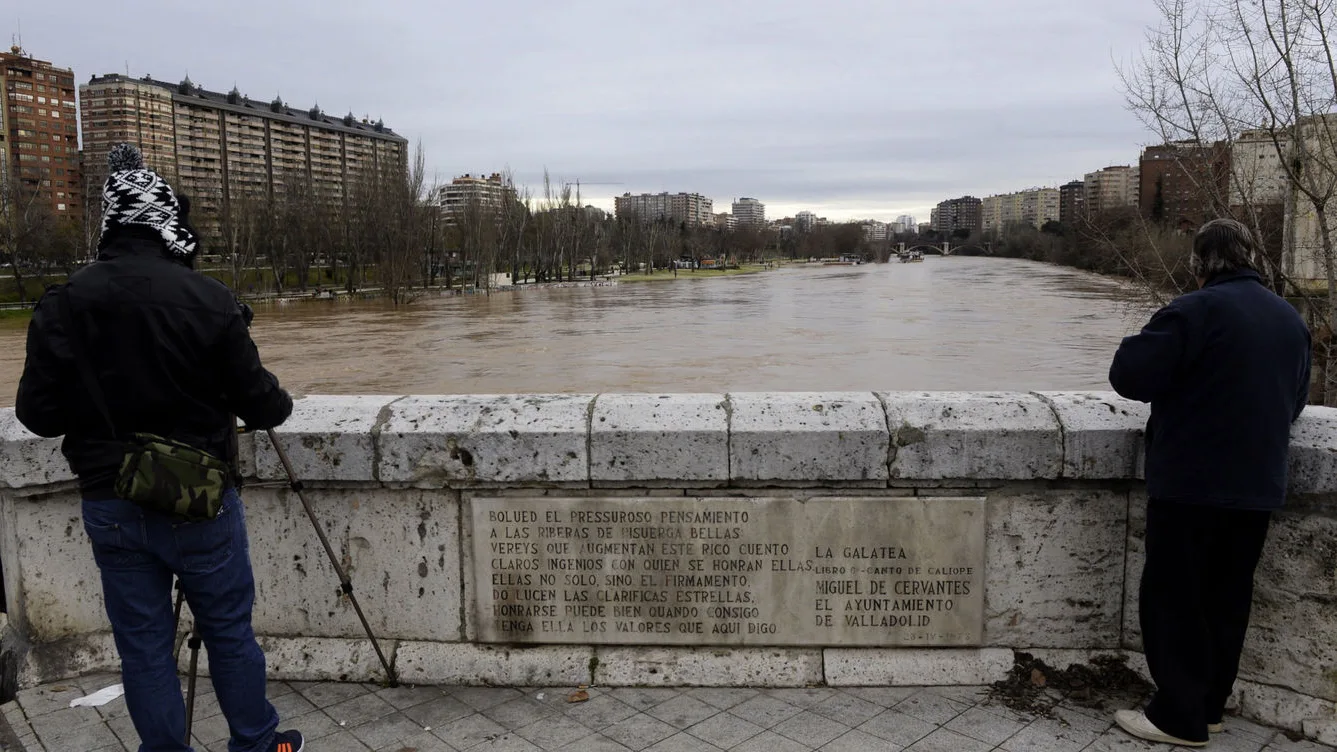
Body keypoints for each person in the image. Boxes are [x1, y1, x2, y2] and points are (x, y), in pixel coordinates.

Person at [15, 143, 302, 752]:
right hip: (199, 502)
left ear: (109, 224)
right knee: (228, 631)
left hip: (111, 501)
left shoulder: (63, 303)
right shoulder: (209, 300)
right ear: (166, 221)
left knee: (142, 645)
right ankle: (257, 743)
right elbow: (267, 406)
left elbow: (35, 415)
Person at [1108, 218, 1311, 747]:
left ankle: (1177, 716)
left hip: (1191, 482)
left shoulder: (1194, 310)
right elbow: (1294, 402)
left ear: (1198, 264)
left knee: (1175, 597)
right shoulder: (1290, 319)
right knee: (1227, 597)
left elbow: (1129, 376)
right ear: (1254, 258)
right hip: (1257, 483)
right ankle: (1210, 707)